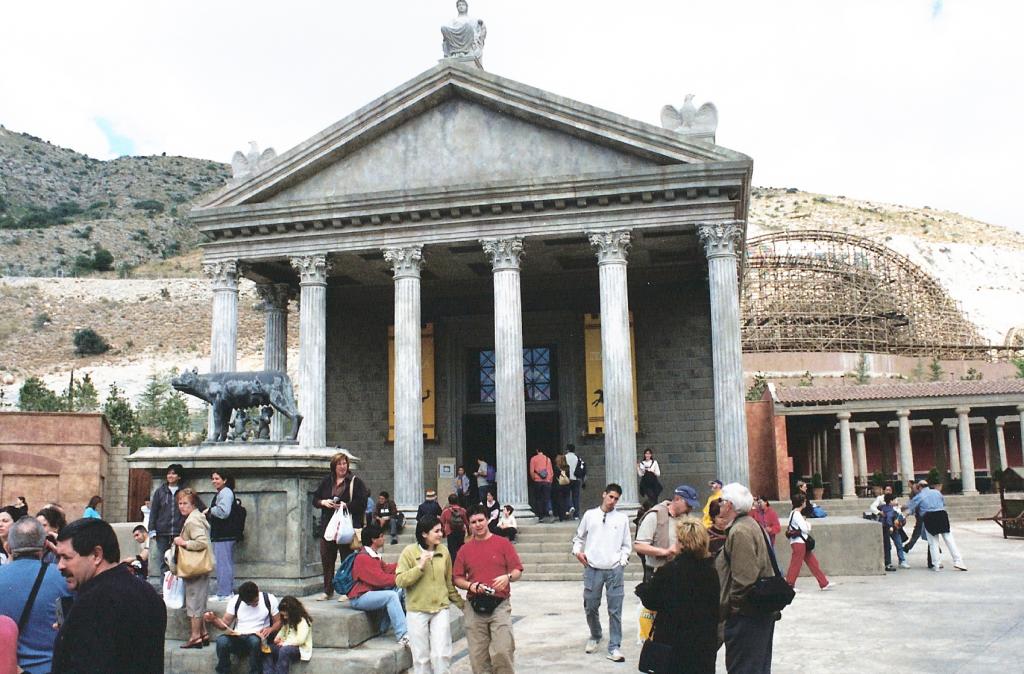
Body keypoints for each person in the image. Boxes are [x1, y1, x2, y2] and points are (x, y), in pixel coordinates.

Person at [51, 518, 166, 673]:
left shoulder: (92, 603)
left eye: (67, 558)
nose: (60, 565)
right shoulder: (148, 593)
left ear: (96, 555)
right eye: (58, 558)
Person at [639, 517, 720, 674]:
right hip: (703, 645)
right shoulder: (710, 572)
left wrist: (643, 589)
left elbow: (652, 601)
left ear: (683, 543)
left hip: (673, 644)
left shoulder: (670, 571)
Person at [714, 483, 777, 674]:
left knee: (744, 668)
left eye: (722, 501)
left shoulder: (740, 531)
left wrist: (733, 610)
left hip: (746, 616)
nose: (720, 505)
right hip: (756, 614)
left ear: (730, 505)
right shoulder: (750, 524)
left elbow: (744, 579)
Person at [453, 505, 523, 674]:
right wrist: (470, 586)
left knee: (502, 651)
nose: (478, 525)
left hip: (500, 605)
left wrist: (508, 577)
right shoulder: (464, 550)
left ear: (487, 520)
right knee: (478, 657)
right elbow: (457, 578)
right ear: (469, 525)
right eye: (473, 522)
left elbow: (517, 570)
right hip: (475, 605)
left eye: (481, 520)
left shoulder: (503, 543)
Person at [0, 517, 73, 674]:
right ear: (46, 545)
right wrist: (60, 555)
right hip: (49, 668)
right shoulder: (65, 578)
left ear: (8, 547)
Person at [571, 483, 631, 663]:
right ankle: (595, 634)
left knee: (615, 609)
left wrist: (622, 561)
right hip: (593, 567)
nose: (612, 501)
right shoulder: (590, 515)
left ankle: (614, 646)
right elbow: (579, 537)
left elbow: (627, 544)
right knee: (590, 605)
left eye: (616, 499)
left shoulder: (622, 519)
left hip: (614, 569)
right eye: (610, 496)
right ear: (604, 494)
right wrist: (577, 552)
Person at [396, 517, 464, 674]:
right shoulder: (409, 552)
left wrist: (462, 604)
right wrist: (419, 567)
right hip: (417, 609)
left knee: (441, 655)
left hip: (440, 608)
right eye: (437, 531)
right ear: (424, 533)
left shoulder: (444, 551)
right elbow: (400, 580)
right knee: (421, 658)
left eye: (441, 530)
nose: (441, 534)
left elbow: (448, 582)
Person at [312, 452, 369, 600]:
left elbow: (362, 503)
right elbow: (315, 498)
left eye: (344, 464)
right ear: (334, 466)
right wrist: (323, 502)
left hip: (347, 527)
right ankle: (327, 590)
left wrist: (346, 506)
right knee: (327, 559)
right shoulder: (327, 481)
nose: (342, 467)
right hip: (328, 527)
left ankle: (347, 590)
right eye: (339, 464)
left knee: (347, 559)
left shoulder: (355, 482)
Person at [348, 523, 409, 644]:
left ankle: (383, 627)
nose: (384, 538)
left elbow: (386, 569)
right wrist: (402, 578)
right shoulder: (363, 557)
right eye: (381, 536)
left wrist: (406, 565)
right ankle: (403, 634)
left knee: (400, 591)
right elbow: (379, 579)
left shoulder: (373, 555)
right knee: (391, 596)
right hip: (360, 597)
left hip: (370, 593)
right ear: (373, 540)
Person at [204, 581, 282, 674]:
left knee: (254, 641)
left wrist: (271, 629)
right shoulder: (235, 601)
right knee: (221, 641)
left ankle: (255, 671)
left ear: (258, 591)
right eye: (249, 603)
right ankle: (223, 671)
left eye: (256, 601)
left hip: (258, 638)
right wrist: (214, 619)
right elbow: (224, 624)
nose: (253, 605)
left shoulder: (268, 599)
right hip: (239, 637)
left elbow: (279, 621)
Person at [149, 463, 205, 581]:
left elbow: (199, 506)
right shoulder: (160, 492)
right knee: (164, 561)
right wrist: (152, 529)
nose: (170, 476)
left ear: (179, 476)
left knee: (180, 560)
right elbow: (154, 511)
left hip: (180, 532)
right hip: (162, 532)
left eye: (173, 473)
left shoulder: (185, 491)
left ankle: (179, 587)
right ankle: (165, 588)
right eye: (169, 473)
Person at [634, 484, 700, 582]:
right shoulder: (655, 515)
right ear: (677, 499)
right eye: (688, 505)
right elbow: (639, 546)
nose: (690, 508)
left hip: (680, 571)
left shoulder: (686, 518)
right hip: (657, 572)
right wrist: (666, 552)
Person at [175, 488, 213, 649]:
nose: (182, 506)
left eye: (185, 503)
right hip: (201, 565)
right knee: (198, 600)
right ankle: (203, 633)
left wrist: (183, 543)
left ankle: (195, 636)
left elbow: (201, 542)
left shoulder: (193, 520)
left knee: (194, 601)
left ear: (193, 504)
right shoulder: (197, 517)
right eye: (180, 503)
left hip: (195, 567)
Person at [904, 479, 966, 572]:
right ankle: (959, 561)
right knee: (949, 540)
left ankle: (936, 564)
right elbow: (943, 503)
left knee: (933, 542)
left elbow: (909, 507)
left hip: (929, 517)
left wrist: (901, 513)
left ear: (919, 487)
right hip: (942, 515)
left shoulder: (920, 496)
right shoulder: (937, 493)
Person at [784, 493, 835, 590]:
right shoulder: (797, 515)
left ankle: (823, 583)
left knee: (812, 562)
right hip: (799, 543)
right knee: (796, 564)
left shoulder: (793, 513)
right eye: (804, 501)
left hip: (798, 542)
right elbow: (805, 529)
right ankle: (789, 585)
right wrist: (808, 524)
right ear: (802, 503)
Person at [206, 469, 238, 601]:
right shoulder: (224, 492)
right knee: (223, 563)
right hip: (223, 534)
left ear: (225, 480)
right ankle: (224, 591)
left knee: (223, 564)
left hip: (224, 534)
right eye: (213, 478)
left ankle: (225, 593)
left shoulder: (225, 493)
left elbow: (224, 512)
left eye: (217, 478)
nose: (214, 481)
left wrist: (209, 510)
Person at [263, 595, 313, 674]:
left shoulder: (303, 621)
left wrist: (284, 643)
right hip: (285, 644)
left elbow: (300, 640)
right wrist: (277, 638)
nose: (285, 617)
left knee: (284, 650)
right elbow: (282, 631)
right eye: (283, 615)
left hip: (299, 648)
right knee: (267, 649)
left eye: (286, 615)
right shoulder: (288, 620)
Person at [879, 494, 910, 571]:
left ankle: (888, 561)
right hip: (892, 528)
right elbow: (889, 518)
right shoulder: (891, 510)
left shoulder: (883, 507)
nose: (897, 501)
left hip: (886, 528)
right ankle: (901, 560)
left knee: (888, 545)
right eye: (895, 500)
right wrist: (891, 526)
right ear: (891, 501)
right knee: (898, 543)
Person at [440, 494, 468, 561]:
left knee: (452, 551)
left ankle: (453, 565)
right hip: (461, 532)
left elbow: (441, 523)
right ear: (457, 501)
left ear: (449, 501)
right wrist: (469, 532)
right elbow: (467, 522)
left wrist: (443, 532)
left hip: (450, 532)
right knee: (460, 549)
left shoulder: (446, 512)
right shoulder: (463, 510)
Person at [529, 448, 554, 521]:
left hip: (538, 481)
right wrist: (550, 480)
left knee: (538, 498)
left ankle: (540, 515)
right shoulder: (548, 459)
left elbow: (531, 471)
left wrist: (534, 479)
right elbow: (551, 471)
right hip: (547, 481)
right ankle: (549, 510)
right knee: (547, 497)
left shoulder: (533, 459)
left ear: (537, 450)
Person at [552, 454, 572, 521]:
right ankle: (567, 510)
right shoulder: (567, 467)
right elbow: (568, 476)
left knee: (560, 501)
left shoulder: (556, 468)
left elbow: (554, 477)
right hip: (566, 485)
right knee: (566, 499)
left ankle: (561, 516)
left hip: (559, 486)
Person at [565, 444, 582, 519]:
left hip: (567, 479)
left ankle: (570, 506)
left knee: (566, 495)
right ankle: (576, 515)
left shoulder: (564, 457)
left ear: (567, 450)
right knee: (576, 497)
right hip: (576, 479)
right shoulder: (577, 458)